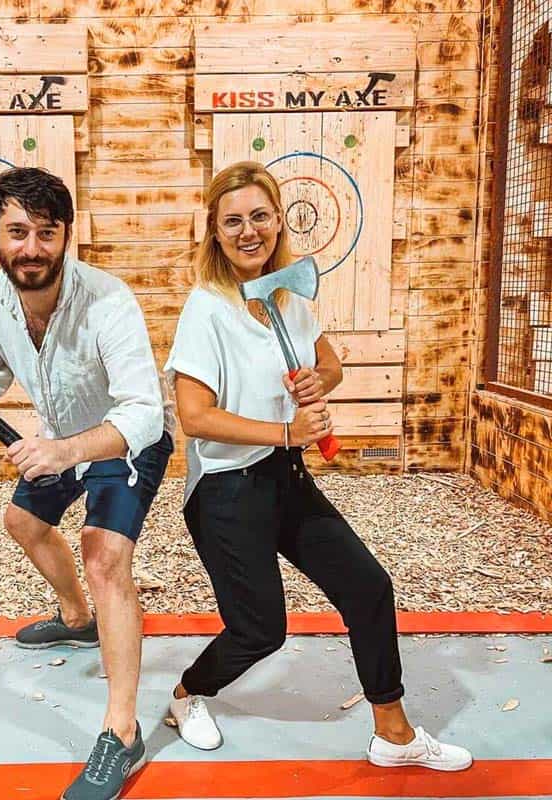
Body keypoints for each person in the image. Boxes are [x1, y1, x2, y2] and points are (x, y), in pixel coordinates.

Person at [162, 161, 472, 772]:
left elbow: (328, 363)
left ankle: (395, 733)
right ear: (215, 233)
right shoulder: (207, 309)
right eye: (233, 221)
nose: (248, 231)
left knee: (367, 587)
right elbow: (194, 417)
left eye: (259, 216)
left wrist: (315, 380)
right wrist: (286, 428)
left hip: (286, 478)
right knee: (260, 631)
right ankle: (186, 695)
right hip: (225, 489)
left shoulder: (290, 296)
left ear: (278, 221)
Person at [0, 167, 173, 800]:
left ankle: (121, 730)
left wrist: (67, 449)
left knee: (104, 559)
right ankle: (77, 619)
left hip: (124, 441)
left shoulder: (108, 299)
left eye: (46, 233)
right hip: (61, 444)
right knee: (22, 521)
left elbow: (142, 412)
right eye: (17, 232)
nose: (31, 247)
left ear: (66, 236)